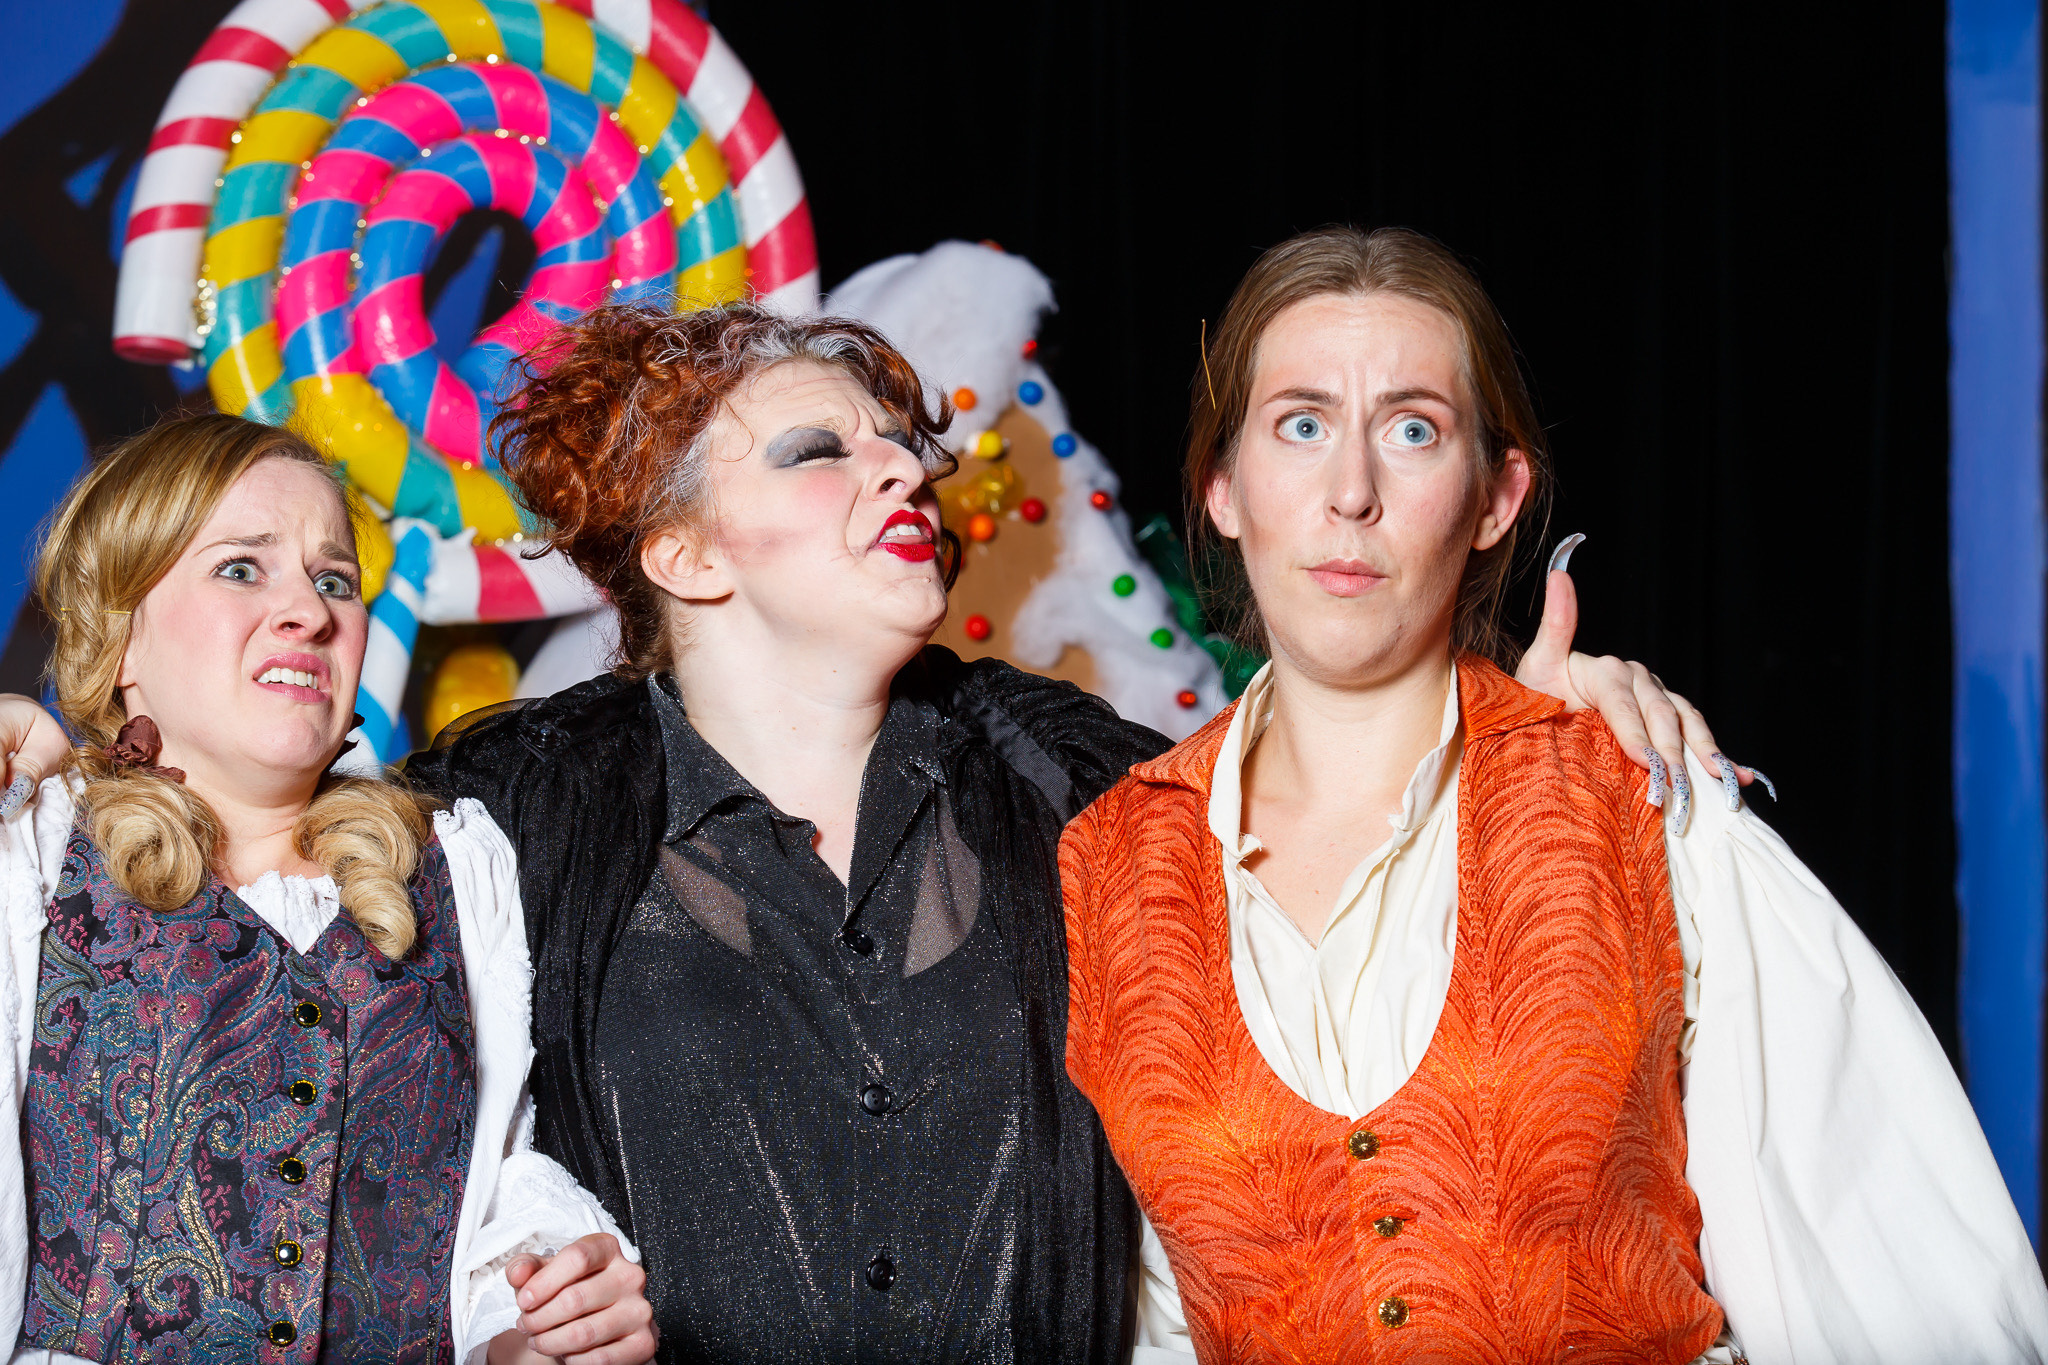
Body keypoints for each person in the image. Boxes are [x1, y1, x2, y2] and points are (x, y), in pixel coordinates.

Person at [1, 312, 1715, 1363]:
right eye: (824, 451)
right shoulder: (506, 813)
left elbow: (1328, 800)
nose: (903, 472)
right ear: (684, 554)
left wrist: (1543, 709)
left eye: (905, 447)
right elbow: (258, 816)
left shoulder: (1073, 782)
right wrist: (53, 753)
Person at [1059, 225, 2048, 1365]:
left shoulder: (1643, 801)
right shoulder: (1106, 868)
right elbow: (1149, 1321)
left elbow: (1898, 1292)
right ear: (1223, 488)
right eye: (1302, 424)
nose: (1351, 493)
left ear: (1495, 498)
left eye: (1413, 430)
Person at [0, 415, 655, 1364]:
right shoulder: (33, 854)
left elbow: (487, 1207)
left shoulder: (458, 875)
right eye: (241, 567)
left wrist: (531, 1333)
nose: (309, 611)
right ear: (122, 635)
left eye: (335, 580)